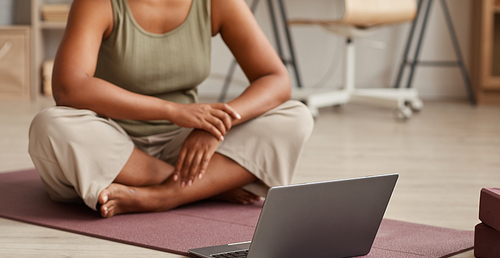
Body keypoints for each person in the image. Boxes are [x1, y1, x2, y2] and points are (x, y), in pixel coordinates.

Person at [28, 0, 314, 218]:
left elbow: (275, 79)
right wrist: (172, 110)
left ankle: (163, 196)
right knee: (50, 125)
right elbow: (69, 87)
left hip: (187, 143)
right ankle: (205, 187)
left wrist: (217, 124)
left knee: (295, 116)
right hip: (114, 144)